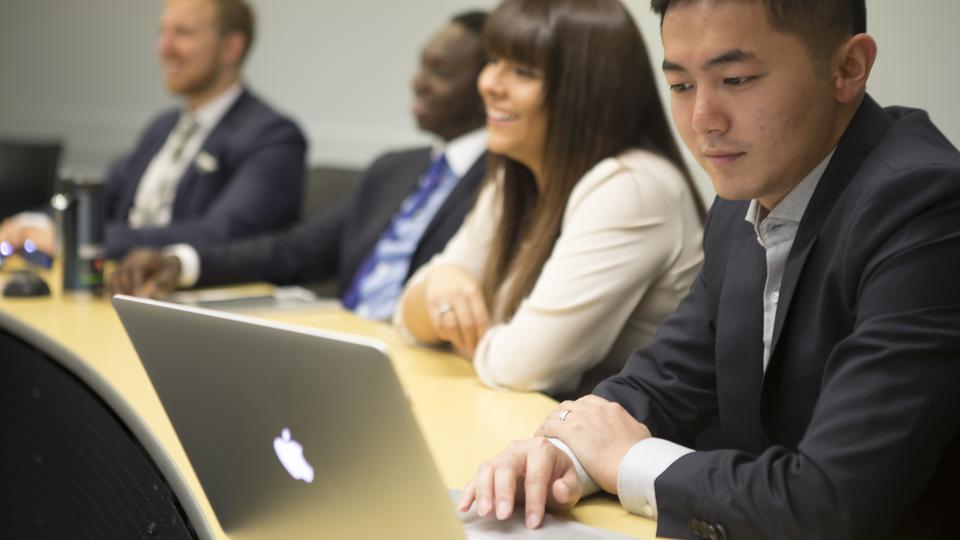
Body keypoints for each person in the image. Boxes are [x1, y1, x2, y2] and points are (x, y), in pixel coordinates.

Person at [459, 0, 960, 538]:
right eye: (680, 86)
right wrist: (561, 454)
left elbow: (831, 499)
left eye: (737, 79)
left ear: (848, 68)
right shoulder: (740, 202)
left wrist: (628, 461)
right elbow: (666, 381)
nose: (703, 121)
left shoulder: (924, 206)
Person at [395, 0, 704, 399]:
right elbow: (406, 316)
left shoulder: (633, 186)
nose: (489, 83)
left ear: (587, 90)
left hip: (614, 448)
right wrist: (441, 282)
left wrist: (452, 327)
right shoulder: (516, 174)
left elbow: (522, 369)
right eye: (494, 60)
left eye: (522, 71)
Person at [108, 12, 490, 321]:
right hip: (344, 338)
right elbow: (299, 249)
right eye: (421, 66)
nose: (417, 82)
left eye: (439, 71)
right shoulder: (394, 169)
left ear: (487, 85)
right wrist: (182, 262)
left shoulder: (506, 182)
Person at [0, 0, 306, 260]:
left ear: (230, 47)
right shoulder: (164, 127)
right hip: (114, 285)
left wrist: (78, 238)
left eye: (183, 33)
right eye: (162, 32)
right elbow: (102, 198)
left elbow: (220, 235)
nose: (164, 47)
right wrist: (31, 221)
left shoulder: (273, 137)